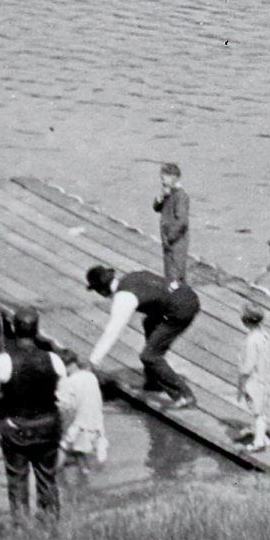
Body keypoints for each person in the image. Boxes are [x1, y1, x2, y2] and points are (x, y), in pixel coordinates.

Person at [0, 308, 65, 521]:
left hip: (17, 426)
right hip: (48, 424)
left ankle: (21, 524)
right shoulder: (54, 359)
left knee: (17, 479)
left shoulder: (4, 360)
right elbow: (62, 394)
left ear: (13, 329)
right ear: (37, 330)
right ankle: (50, 523)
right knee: (47, 477)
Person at [84, 264, 202, 404]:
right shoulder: (131, 277)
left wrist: (94, 361)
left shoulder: (124, 298)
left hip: (182, 309)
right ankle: (154, 381)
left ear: (102, 291)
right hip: (185, 294)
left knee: (149, 356)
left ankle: (184, 395)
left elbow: (112, 331)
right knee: (149, 323)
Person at [57, 348, 107, 481]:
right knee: (79, 452)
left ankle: (51, 481)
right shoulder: (91, 377)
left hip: (79, 425)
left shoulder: (69, 382)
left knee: (62, 449)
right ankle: (85, 477)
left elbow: (65, 407)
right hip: (95, 424)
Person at [236, 304, 270, 452]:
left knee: (258, 413)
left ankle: (258, 442)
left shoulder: (251, 341)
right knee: (262, 410)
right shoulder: (265, 336)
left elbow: (249, 364)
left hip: (254, 380)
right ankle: (263, 437)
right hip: (265, 377)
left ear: (246, 322)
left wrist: (241, 376)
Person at [154, 162, 190, 284]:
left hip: (176, 241)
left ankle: (178, 292)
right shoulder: (168, 193)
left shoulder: (180, 196)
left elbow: (182, 222)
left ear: (173, 178)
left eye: (164, 178)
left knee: (176, 273)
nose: (162, 181)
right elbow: (156, 207)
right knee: (169, 272)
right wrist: (161, 196)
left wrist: (170, 237)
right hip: (168, 241)